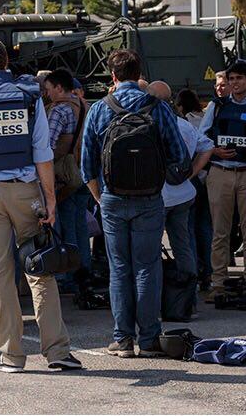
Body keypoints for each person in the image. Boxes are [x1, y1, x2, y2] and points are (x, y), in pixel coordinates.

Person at [0, 38, 82, 373]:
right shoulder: (28, 95)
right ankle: (57, 352)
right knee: (40, 266)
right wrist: (50, 199)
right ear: (7, 62)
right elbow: (43, 151)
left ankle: (10, 355)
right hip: (25, 189)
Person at [81, 49, 187, 359]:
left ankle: (122, 339)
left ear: (112, 77)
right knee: (147, 268)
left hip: (113, 198)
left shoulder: (100, 109)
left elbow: (86, 165)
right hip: (150, 198)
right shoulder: (158, 107)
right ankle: (150, 339)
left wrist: (100, 197)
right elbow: (179, 154)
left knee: (119, 268)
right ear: (139, 74)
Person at [196, 60, 246, 300]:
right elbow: (201, 138)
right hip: (220, 173)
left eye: (239, 79)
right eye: (231, 79)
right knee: (220, 232)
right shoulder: (217, 106)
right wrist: (215, 151)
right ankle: (218, 283)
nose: (234, 83)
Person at [148, 80, 213, 315]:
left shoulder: (150, 125)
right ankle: (188, 299)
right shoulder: (183, 125)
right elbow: (207, 146)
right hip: (184, 194)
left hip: (158, 198)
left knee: (151, 250)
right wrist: (191, 173)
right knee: (183, 245)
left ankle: (156, 302)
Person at [44, 69, 91, 293]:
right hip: (84, 172)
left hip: (64, 176)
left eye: (49, 89)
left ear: (59, 88)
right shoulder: (85, 106)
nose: (47, 94)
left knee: (65, 226)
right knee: (81, 225)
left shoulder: (59, 110)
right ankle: (84, 270)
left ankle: (68, 276)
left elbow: (49, 146)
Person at [176, 87, 213, 289]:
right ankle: (208, 272)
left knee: (187, 229)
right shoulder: (207, 116)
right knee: (205, 226)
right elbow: (208, 146)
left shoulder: (183, 122)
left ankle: (192, 276)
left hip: (187, 181)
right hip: (206, 179)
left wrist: (189, 172)